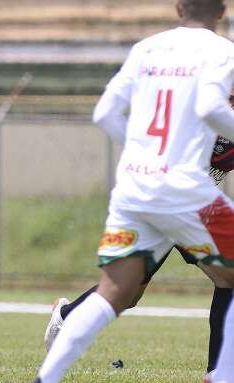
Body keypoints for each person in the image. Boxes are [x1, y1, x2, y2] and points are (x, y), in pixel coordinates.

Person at [34, 1, 234, 382]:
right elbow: (210, 105)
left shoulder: (146, 48)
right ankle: (221, 375)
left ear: (178, 8)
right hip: (187, 190)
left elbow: (103, 113)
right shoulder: (222, 52)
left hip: (136, 185)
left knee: (118, 290)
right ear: (223, 10)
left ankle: (46, 378)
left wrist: (146, 157)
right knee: (227, 277)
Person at [44, 136, 234, 375]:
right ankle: (219, 372)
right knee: (228, 276)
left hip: (180, 205)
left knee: (128, 294)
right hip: (171, 201)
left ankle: (65, 317)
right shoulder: (210, 115)